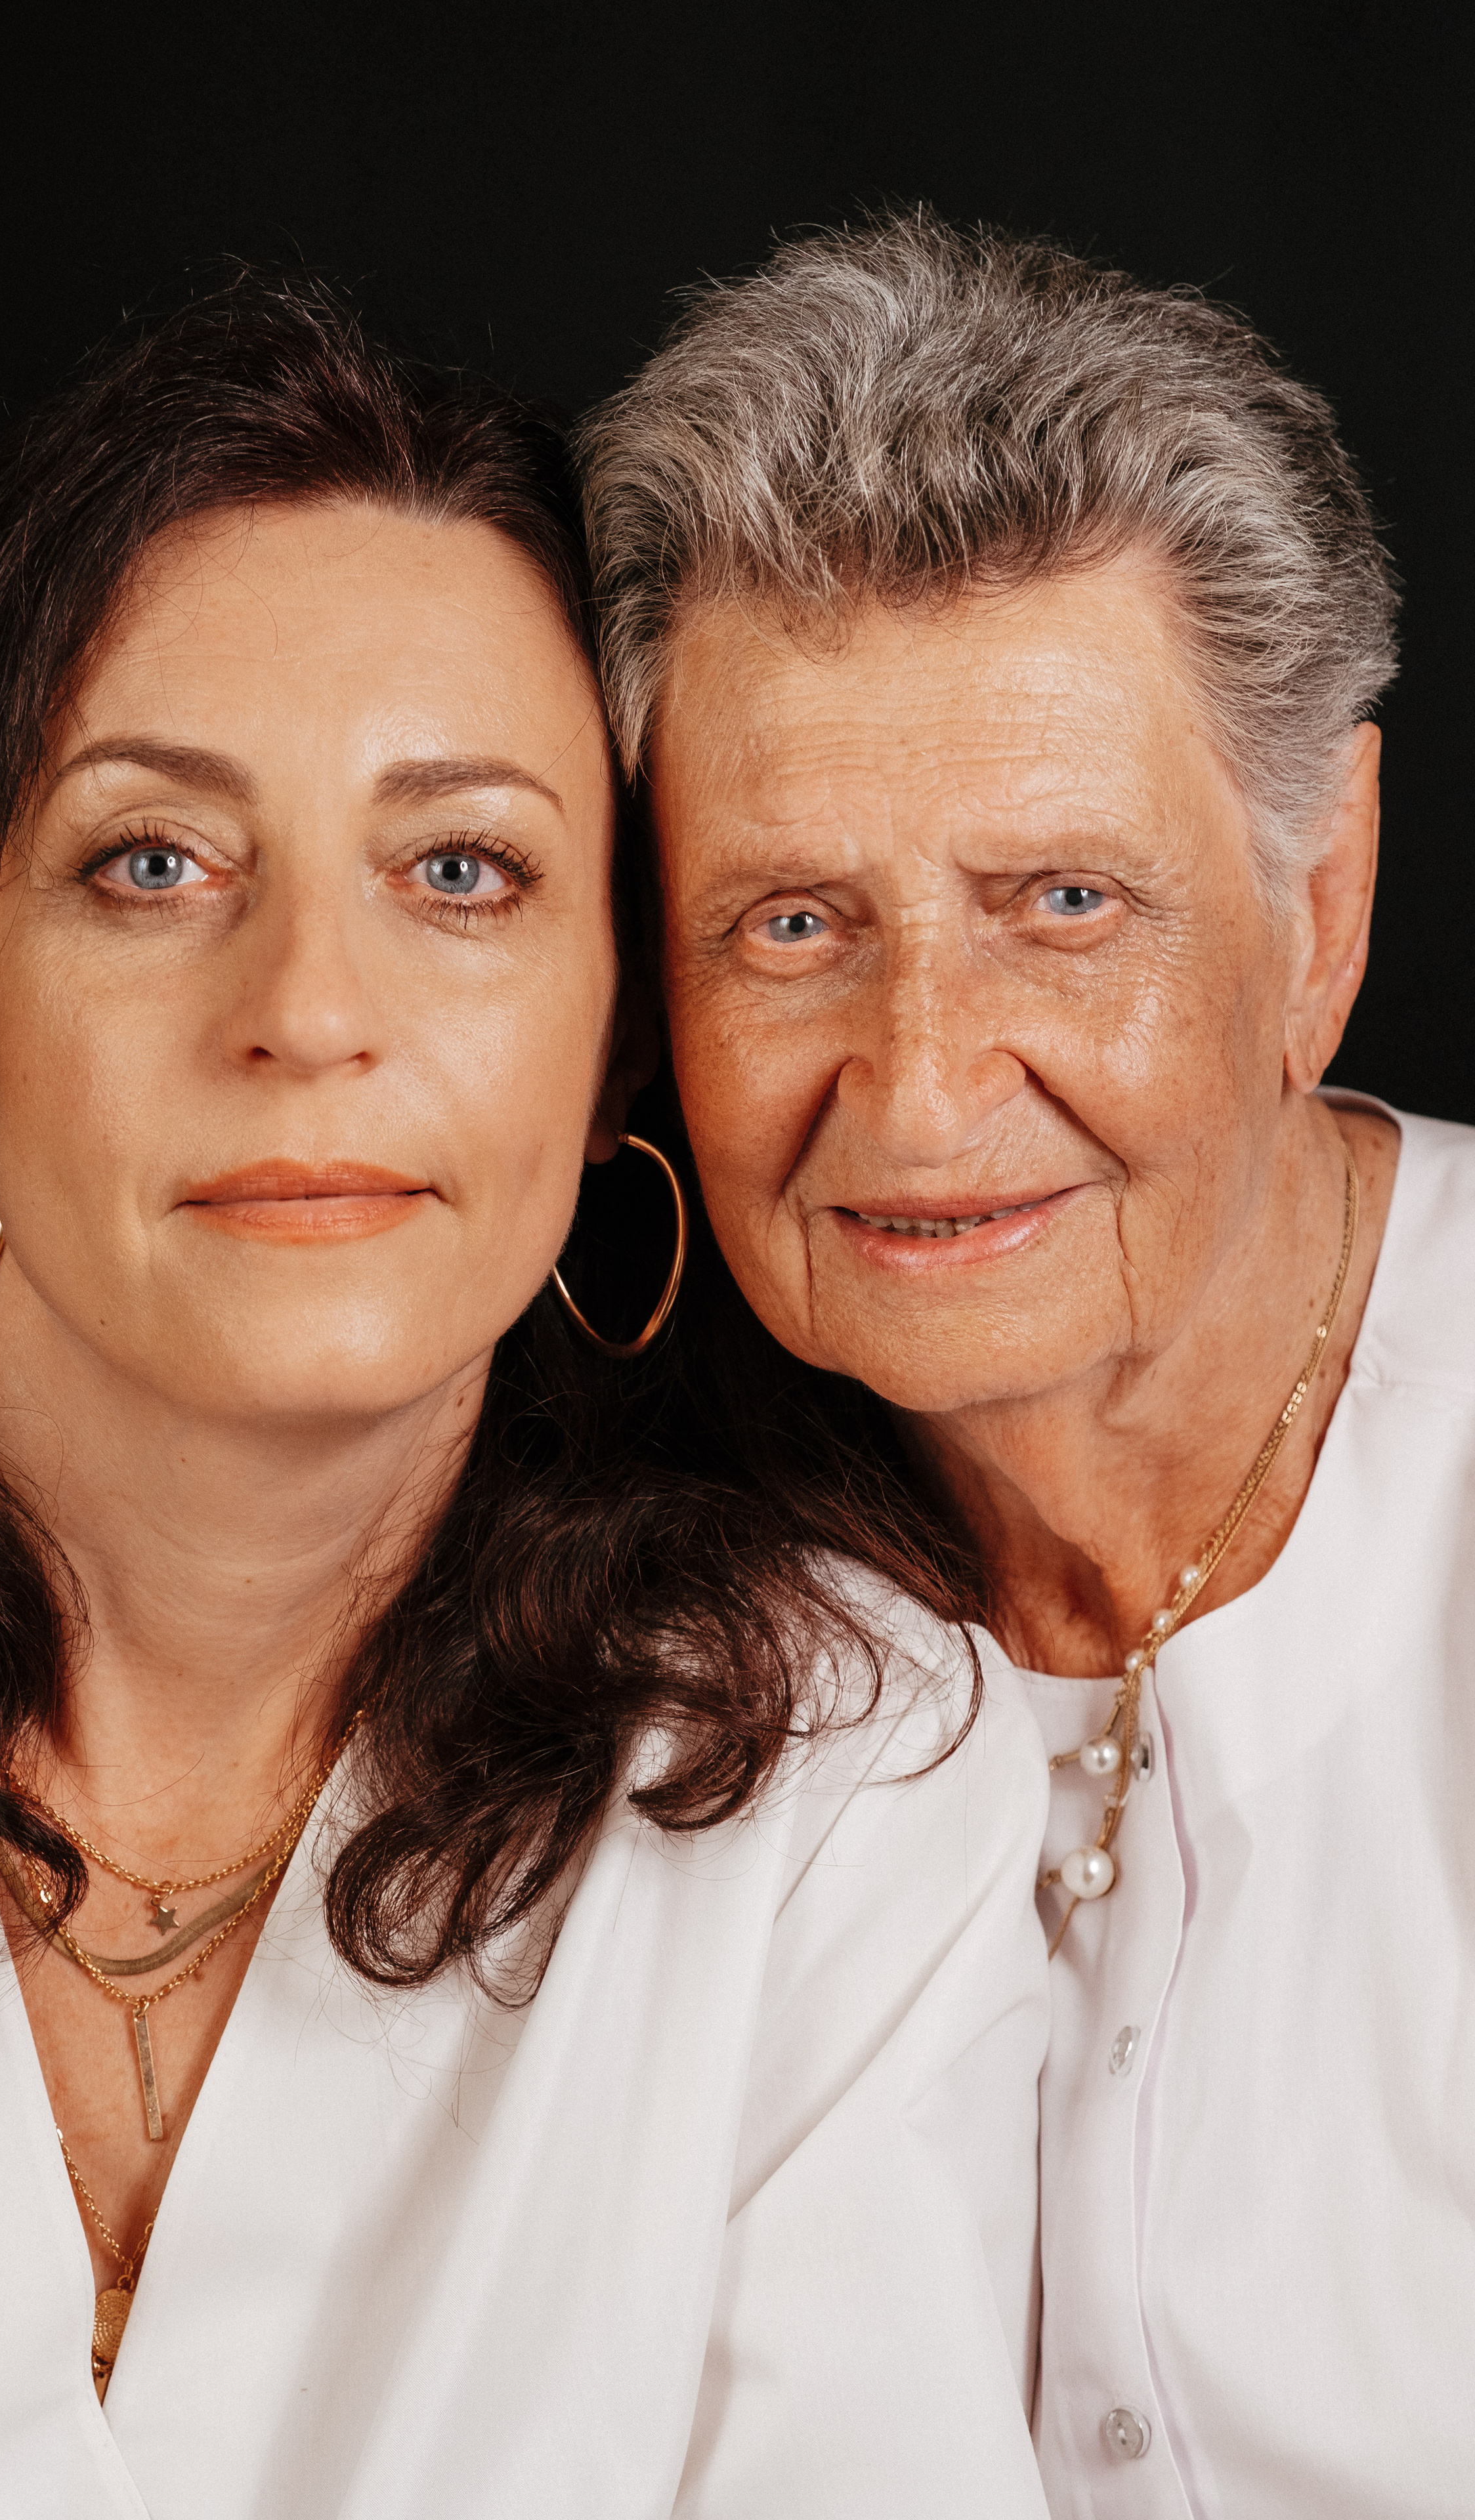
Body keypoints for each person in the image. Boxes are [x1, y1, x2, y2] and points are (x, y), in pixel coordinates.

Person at [0, 279, 1051, 2519]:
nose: (307, 1011)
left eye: (459, 871)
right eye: (152, 862)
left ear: (611, 1046)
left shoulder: (829, 1801)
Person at [580, 209, 1475, 2519]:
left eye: (1062, 905)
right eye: (792, 925)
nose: (918, 1083)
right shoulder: (600, 1581)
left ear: (1322, 909)